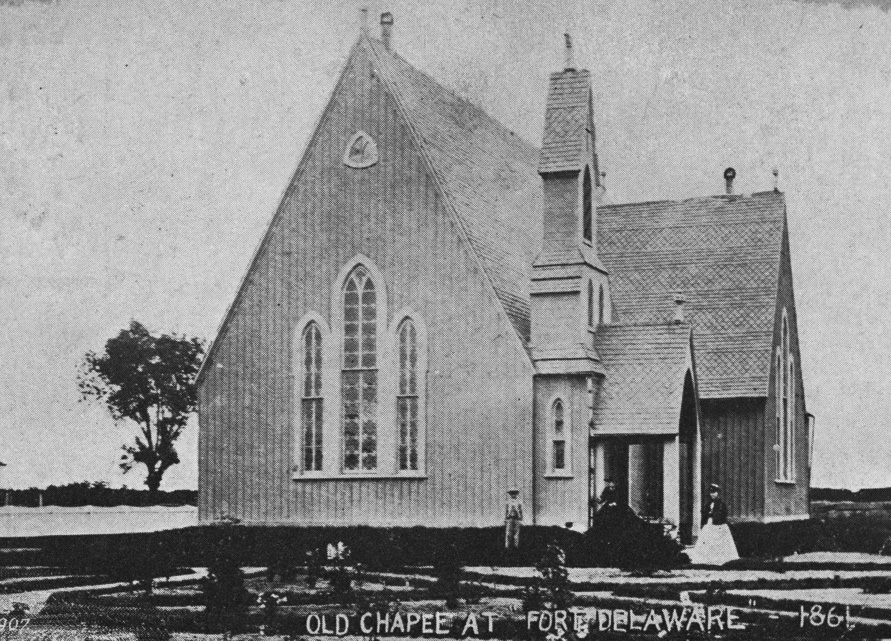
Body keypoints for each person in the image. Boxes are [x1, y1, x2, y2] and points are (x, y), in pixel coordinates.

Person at [688, 484, 739, 565]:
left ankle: (720, 560)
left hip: (718, 525)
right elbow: (704, 513)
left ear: (718, 493)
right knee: (707, 540)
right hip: (709, 523)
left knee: (719, 542)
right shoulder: (708, 504)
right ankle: (706, 559)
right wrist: (706, 515)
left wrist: (714, 515)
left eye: (714, 492)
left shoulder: (721, 504)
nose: (712, 494)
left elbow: (723, 515)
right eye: (711, 492)